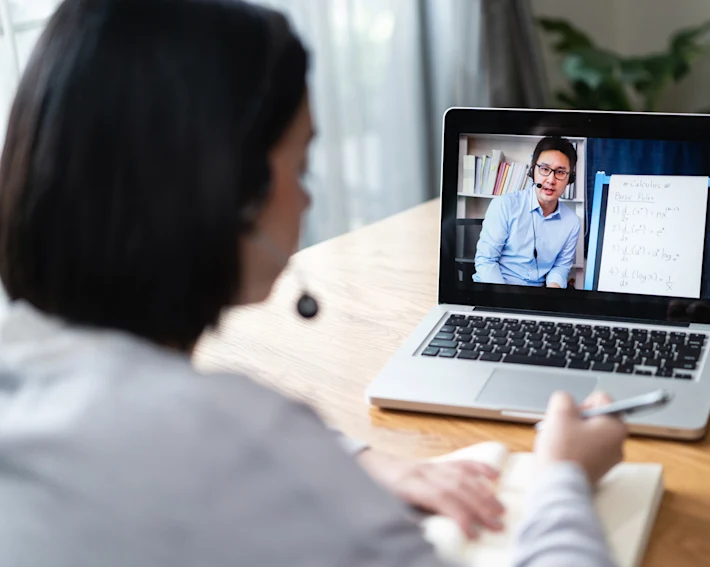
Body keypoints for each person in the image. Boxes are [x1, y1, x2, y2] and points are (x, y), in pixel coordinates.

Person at [0, 1, 626, 566]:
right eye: (299, 166)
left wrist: (359, 459)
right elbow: (246, 452)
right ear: (233, 195)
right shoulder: (244, 443)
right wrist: (562, 477)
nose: (305, 198)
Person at [473, 136, 582, 288]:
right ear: (532, 171)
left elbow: (561, 267)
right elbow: (486, 261)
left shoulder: (572, 222)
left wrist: (551, 296)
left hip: (537, 297)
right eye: (544, 169)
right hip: (494, 291)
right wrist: (506, 302)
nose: (551, 180)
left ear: (570, 178)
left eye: (560, 172)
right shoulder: (505, 205)